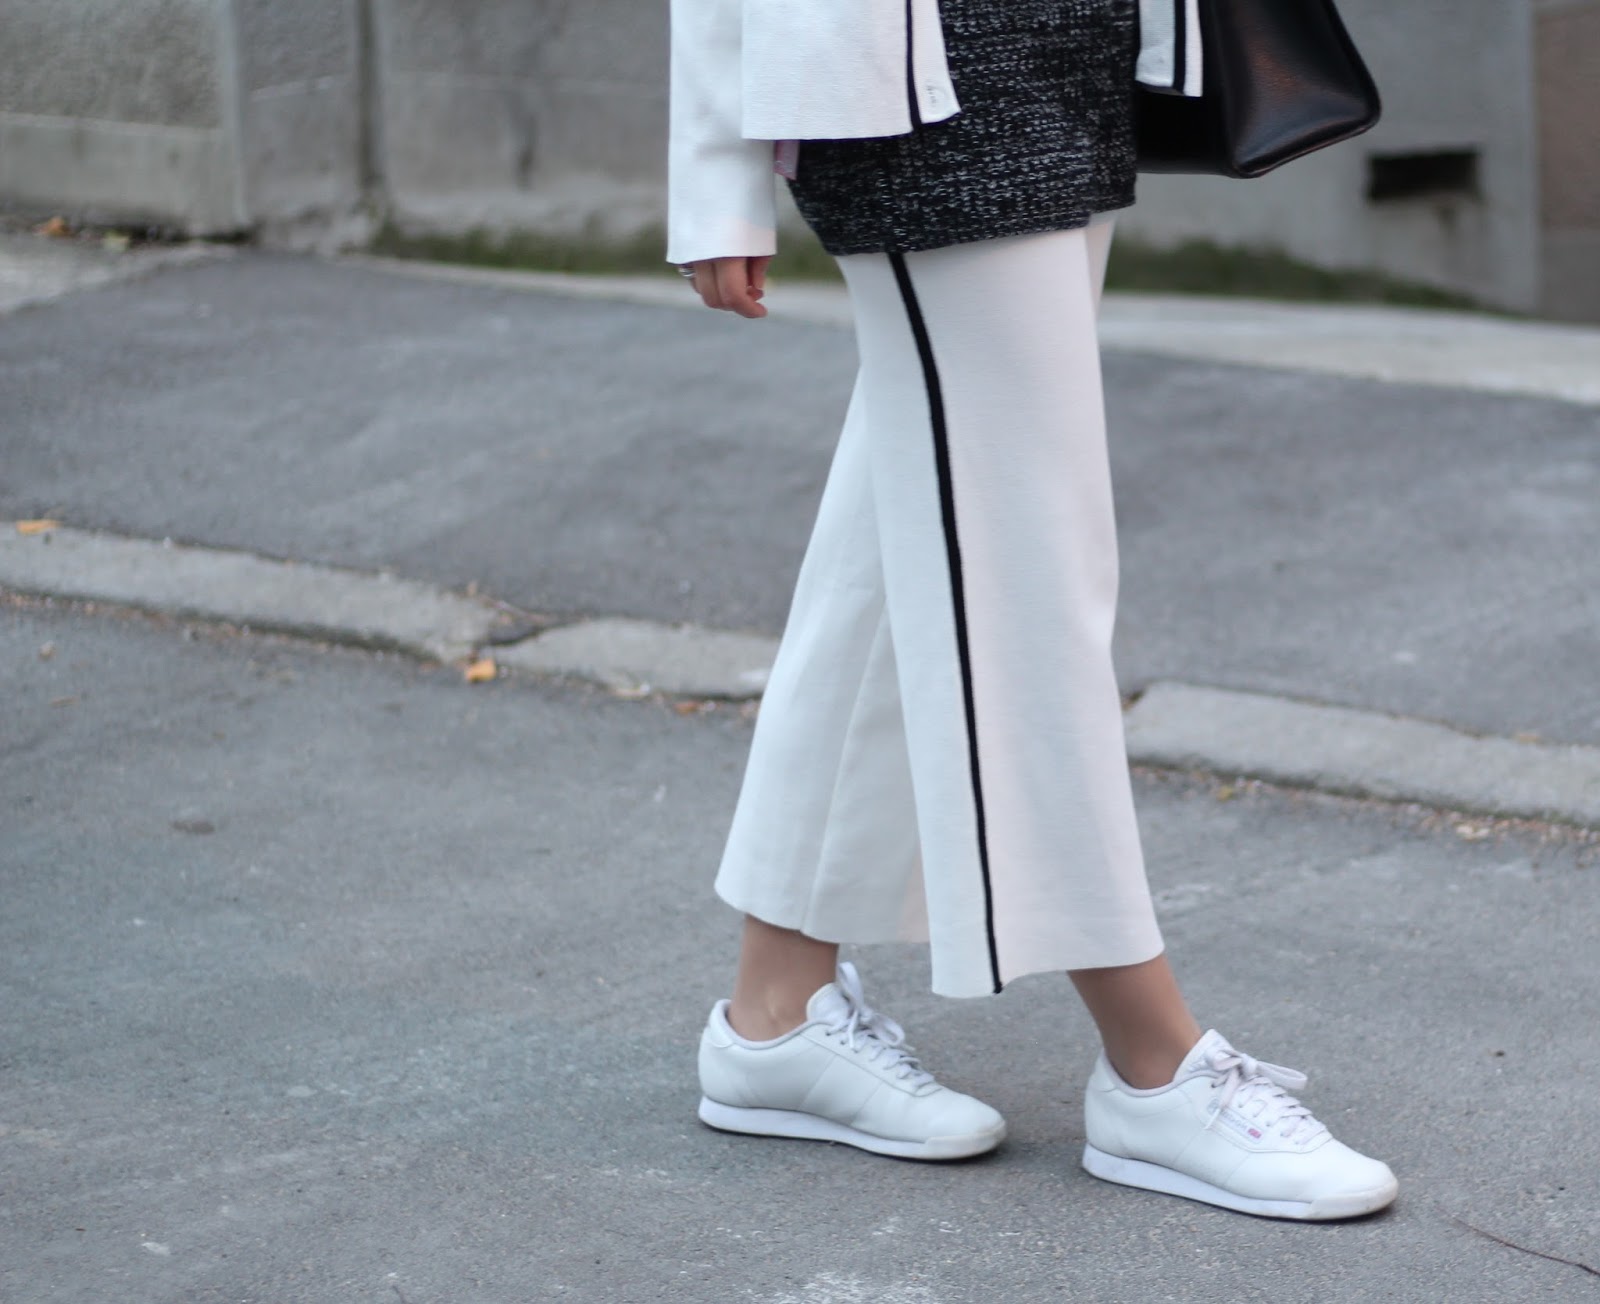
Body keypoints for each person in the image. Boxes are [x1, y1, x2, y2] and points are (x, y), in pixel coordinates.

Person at [666, 0, 1397, 1221]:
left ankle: (773, 1012)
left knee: (910, 529)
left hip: (1068, 52)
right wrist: (711, 180)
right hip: (919, 90)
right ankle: (1152, 1063)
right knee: (1024, 572)